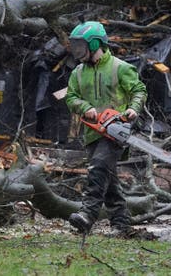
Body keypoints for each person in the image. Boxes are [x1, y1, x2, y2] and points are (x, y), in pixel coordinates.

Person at [65, 21, 147, 236]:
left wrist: (133, 109)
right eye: (75, 46)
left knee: (98, 167)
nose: (77, 51)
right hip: (92, 132)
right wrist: (85, 107)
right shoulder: (78, 73)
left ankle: (87, 214)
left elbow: (138, 90)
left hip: (115, 130)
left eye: (80, 46)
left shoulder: (120, 67)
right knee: (108, 180)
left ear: (94, 44)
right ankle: (121, 224)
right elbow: (71, 97)